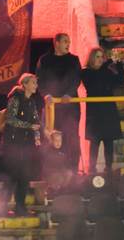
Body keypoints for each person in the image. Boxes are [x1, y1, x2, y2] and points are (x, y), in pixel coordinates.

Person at [37, 33, 83, 173]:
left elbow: (76, 79)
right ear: (56, 43)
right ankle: (52, 171)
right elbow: (40, 80)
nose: (68, 44)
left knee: (71, 136)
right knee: (51, 136)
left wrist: (69, 93)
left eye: (69, 41)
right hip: (52, 105)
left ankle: (72, 171)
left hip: (70, 106)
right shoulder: (45, 60)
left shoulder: (73, 60)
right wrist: (46, 94)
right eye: (65, 41)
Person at [1, 73, 42, 216]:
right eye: (33, 83)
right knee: (12, 175)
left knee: (24, 176)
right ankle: (2, 208)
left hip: (26, 145)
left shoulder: (32, 102)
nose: (36, 86)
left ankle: (20, 207)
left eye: (36, 83)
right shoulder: (16, 98)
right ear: (25, 84)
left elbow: (36, 122)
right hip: (13, 144)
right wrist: (29, 126)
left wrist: (37, 137)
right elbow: (10, 119)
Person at [80, 47, 124, 173]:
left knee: (109, 142)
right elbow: (95, 82)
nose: (100, 60)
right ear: (91, 58)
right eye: (97, 57)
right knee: (94, 143)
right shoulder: (86, 72)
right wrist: (109, 62)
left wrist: (119, 64)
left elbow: (121, 80)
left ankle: (108, 170)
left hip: (108, 111)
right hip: (95, 113)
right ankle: (91, 171)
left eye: (102, 57)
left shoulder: (106, 71)